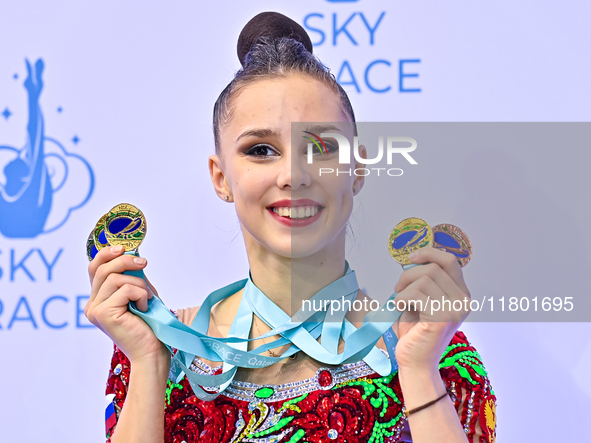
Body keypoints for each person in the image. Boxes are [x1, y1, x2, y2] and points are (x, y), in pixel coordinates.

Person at [85, 12, 496, 443]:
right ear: (221, 177)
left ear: (357, 168)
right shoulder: (165, 351)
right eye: (261, 149)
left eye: (321, 146)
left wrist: (418, 371)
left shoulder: (433, 352)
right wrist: (150, 362)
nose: (293, 174)